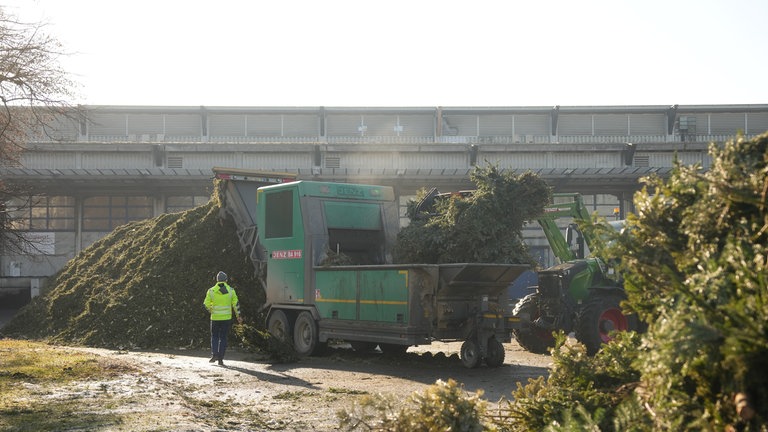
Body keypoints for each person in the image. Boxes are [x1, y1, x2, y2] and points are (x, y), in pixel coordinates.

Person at [203, 271, 242, 366]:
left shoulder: (211, 291)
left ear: (217, 280)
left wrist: (211, 310)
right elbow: (236, 305)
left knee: (214, 337)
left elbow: (206, 304)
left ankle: (214, 354)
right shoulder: (231, 290)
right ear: (226, 280)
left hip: (215, 318)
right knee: (223, 338)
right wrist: (239, 316)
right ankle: (221, 359)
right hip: (226, 318)